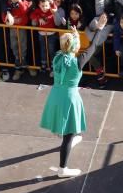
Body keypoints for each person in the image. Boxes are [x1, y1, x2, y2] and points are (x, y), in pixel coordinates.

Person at [39, 28, 95, 177]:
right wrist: (100, 29)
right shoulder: (79, 61)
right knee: (68, 135)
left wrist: (75, 36)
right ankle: (62, 169)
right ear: (75, 47)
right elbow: (93, 46)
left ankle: (71, 138)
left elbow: (70, 48)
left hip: (56, 95)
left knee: (67, 128)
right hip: (69, 99)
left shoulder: (58, 57)